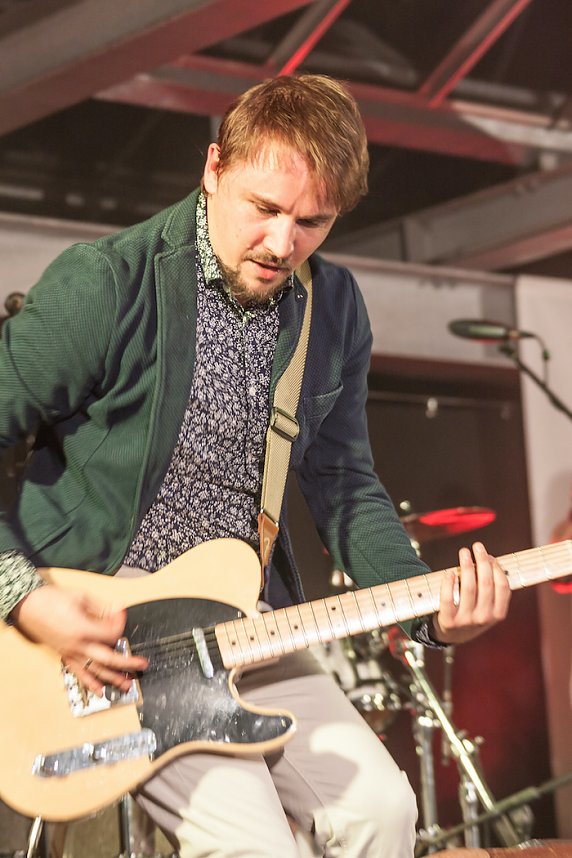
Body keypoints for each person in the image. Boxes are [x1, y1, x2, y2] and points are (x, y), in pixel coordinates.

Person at [0, 74, 511, 858]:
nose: (281, 243)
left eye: (312, 222)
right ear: (214, 168)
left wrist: (429, 612)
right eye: (264, 208)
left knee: (382, 812)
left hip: (243, 617)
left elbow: (343, 483)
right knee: (256, 846)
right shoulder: (106, 282)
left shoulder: (333, 307)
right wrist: (25, 596)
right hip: (104, 622)